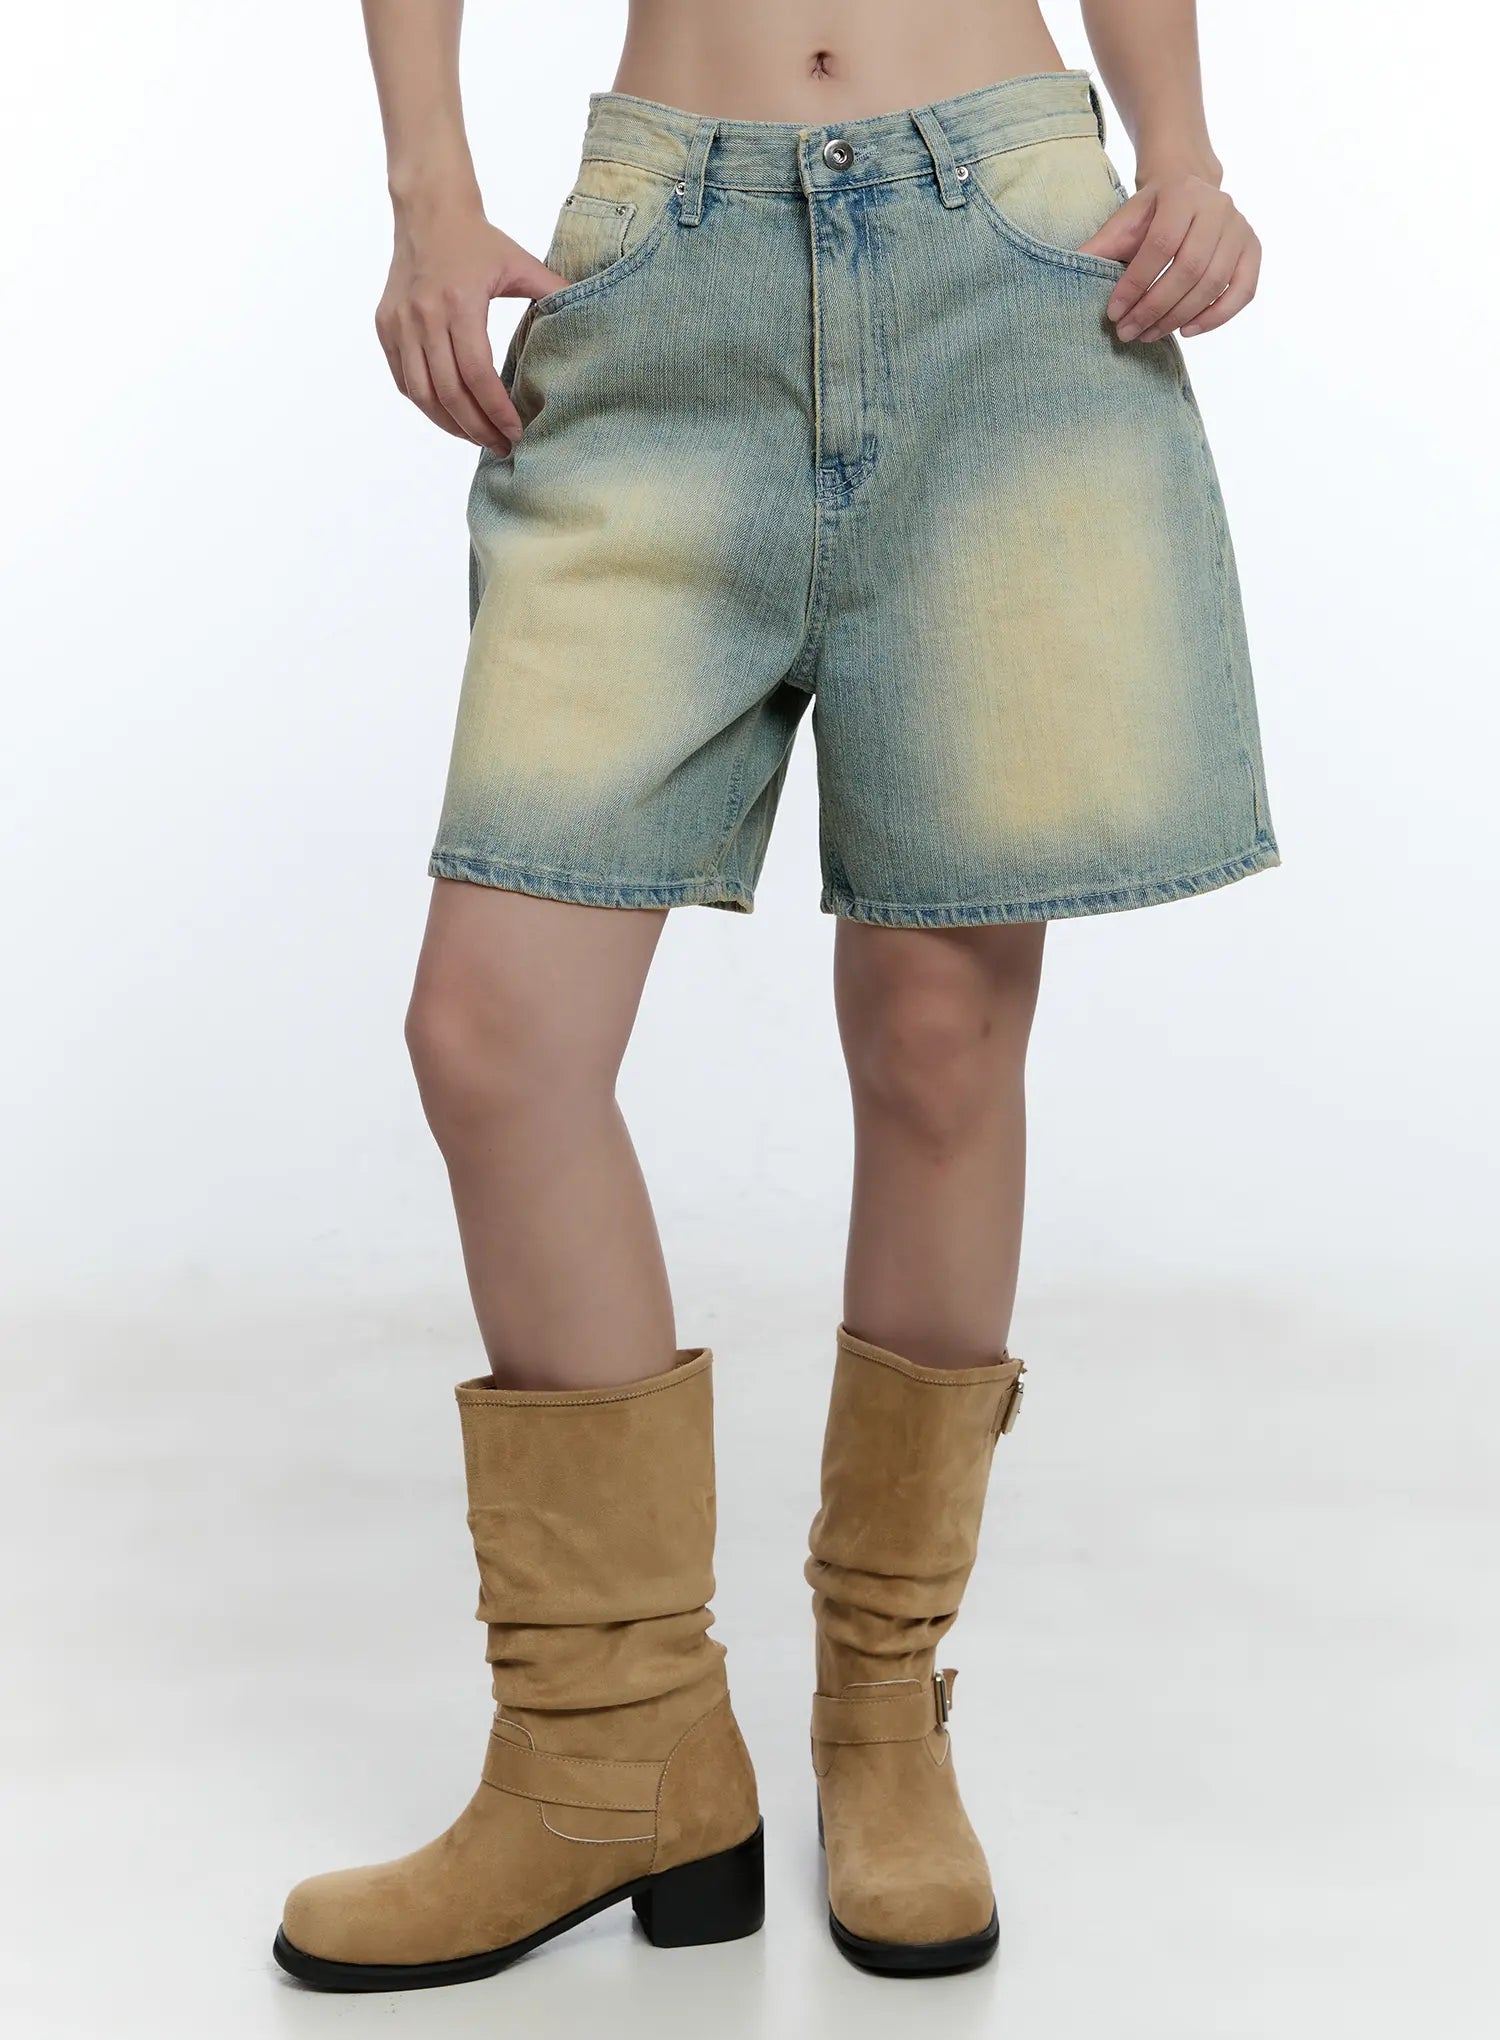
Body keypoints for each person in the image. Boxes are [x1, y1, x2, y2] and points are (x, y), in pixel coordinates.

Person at [272, 0, 1276, 1989]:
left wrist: (1184, 152)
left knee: (937, 1038)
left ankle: (883, 1717)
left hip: (1010, 258)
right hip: (668, 267)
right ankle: (611, 1750)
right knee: (493, 1036)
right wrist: (427, 187)